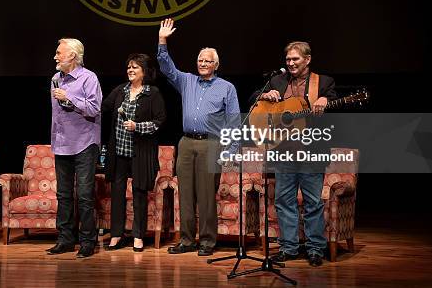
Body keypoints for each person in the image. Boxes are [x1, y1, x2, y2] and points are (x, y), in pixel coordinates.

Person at [157, 18, 240, 256]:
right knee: (185, 195)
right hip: (186, 143)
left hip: (212, 143)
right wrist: (162, 40)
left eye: (207, 61)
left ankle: (206, 241)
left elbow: (233, 121)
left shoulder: (226, 87)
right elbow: (166, 68)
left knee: (205, 196)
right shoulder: (187, 81)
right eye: (200, 60)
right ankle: (186, 240)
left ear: (216, 64)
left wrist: (231, 151)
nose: (203, 64)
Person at [255, 41, 337, 267]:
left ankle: (314, 249)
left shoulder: (323, 82)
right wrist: (265, 95)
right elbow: (255, 98)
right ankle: (289, 248)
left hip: (311, 151)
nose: (290, 63)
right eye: (288, 59)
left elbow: (334, 103)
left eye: (295, 59)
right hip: (283, 151)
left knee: (312, 202)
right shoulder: (278, 81)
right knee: (284, 200)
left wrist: (325, 99)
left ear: (307, 60)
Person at [102, 53, 166, 252]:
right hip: (119, 151)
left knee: (139, 193)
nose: (130, 70)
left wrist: (138, 126)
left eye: (135, 67)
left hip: (141, 153)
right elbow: (102, 107)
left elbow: (159, 121)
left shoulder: (152, 93)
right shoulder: (120, 91)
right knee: (117, 193)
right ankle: (116, 234)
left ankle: (138, 235)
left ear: (144, 72)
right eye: (129, 67)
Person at [47, 38, 102, 259]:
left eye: (59, 53)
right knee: (63, 195)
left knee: (86, 195)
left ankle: (88, 241)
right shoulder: (54, 79)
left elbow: (94, 109)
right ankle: (66, 239)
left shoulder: (89, 78)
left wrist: (69, 96)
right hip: (61, 143)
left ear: (72, 55)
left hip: (84, 143)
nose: (55, 57)